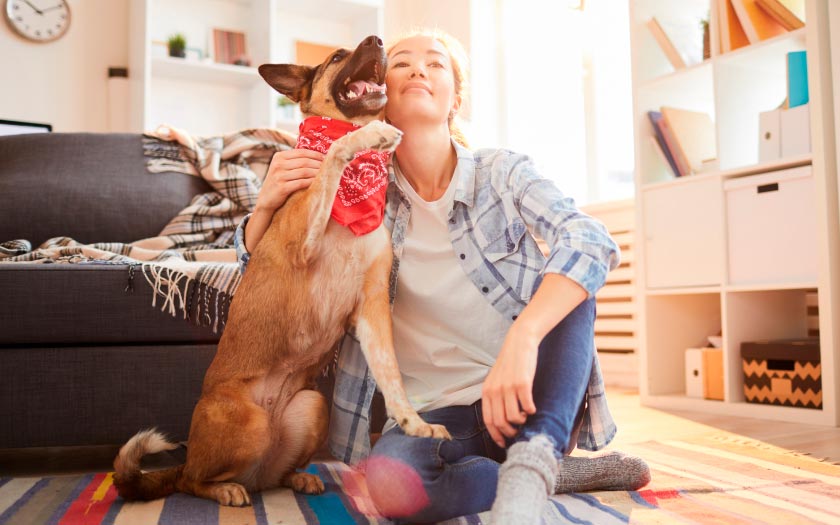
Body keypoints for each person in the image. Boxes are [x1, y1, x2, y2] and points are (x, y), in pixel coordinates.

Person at [235, 29, 650, 525]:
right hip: (436, 417)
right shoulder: (355, 195)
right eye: (402, 62)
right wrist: (263, 209)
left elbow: (591, 241)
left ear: (457, 97)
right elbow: (274, 286)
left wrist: (523, 337)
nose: (417, 70)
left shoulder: (503, 172)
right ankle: (541, 475)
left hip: (522, 395)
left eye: (435, 64)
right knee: (389, 485)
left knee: (570, 281)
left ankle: (536, 456)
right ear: (375, 94)